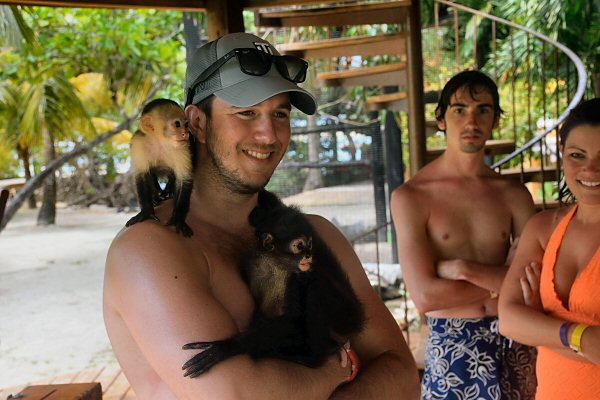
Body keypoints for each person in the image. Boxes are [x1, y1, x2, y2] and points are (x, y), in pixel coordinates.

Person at [103, 32, 420, 400]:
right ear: (198, 123)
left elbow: (401, 372)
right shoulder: (151, 247)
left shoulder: (314, 234)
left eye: (280, 114)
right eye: (247, 112)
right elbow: (236, 396)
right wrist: (333, 372)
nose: (268, 134)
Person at [391, 70, 537, 400]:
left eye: (483, 109)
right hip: (451, 344)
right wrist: (503, 283)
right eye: (459, 109)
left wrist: (462, 269)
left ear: (495, 120)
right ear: (441, 119)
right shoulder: (412, 196)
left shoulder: (514, 195)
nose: (472, 120)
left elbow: (535, 285)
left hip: (515, 336)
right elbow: (426, 297)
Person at [498, 98, 600, 399]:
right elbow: (509, 319)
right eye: (577, 155)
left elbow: (523, 325)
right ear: (562, 155)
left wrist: (541, 326)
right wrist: (579, 335)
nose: (591, 169)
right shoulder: (544, 228)